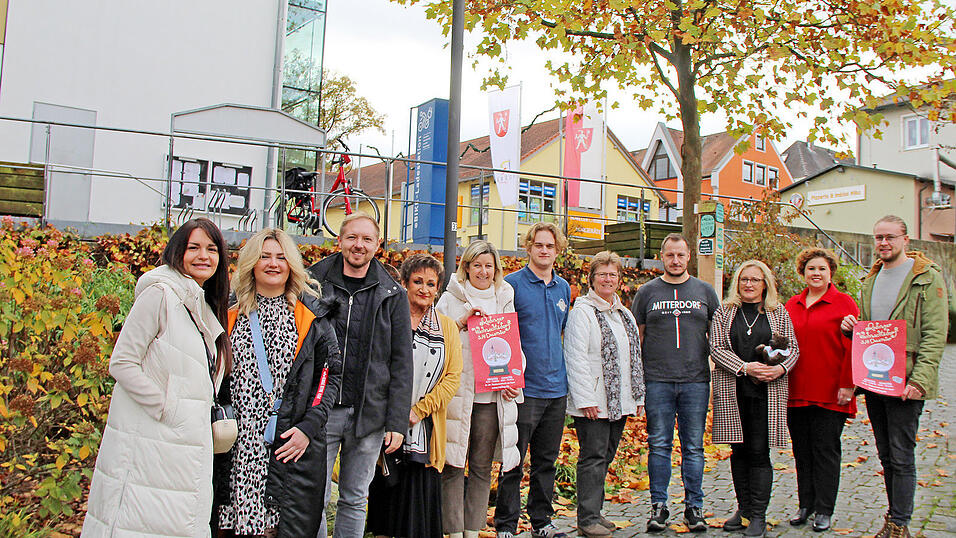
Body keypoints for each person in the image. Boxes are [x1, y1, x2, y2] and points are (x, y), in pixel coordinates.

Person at [83, 218, 232, 537]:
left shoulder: (201, 305)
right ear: (178, 252)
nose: (203, 255)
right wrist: (168, 408)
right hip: (151, 446)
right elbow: (122, 363)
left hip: (185, 453)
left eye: (211, 248)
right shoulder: (160, 295)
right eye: (194, 247)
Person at [214, 228, 342, 537]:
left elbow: (328, 376)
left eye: (281, 257)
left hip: (287, 446)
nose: (273, 264)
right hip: (237, 448)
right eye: (265, 256)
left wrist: (308, 427)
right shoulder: (227, 315)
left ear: (292, 265)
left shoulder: (312, 318)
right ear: (252, 264)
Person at [839, 215, 948, 538]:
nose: (883, 243)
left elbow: (934, 334)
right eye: (878, 238)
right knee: (886, 454)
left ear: (906, 240)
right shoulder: (871, 279)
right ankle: (893, 519)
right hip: (875, 381)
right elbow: (875, 333)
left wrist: (919, 381)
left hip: (907, 382)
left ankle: (901, 524)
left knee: (901, 455)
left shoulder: (926, 279)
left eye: (890, 237)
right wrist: (852, 330)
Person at [307, 212, 413, 538]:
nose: (359, 245)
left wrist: (396, 422)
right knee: (315, 497)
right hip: (320, 411)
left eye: (367, 239)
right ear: (339, 240)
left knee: (355, 498)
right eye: (352, 237)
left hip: (369, 414)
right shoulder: (312, 283)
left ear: (377, 245)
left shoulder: (393, 294)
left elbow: (401, 362)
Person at [366, 253, 463, 538]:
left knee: (418, 513)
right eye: (417, 281)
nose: (424, 289)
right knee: (386, 505)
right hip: (384, 424)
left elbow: (452, 378)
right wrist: (393, 413)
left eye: (431, 284)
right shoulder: (387, 318)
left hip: (425, 430)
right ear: (405, 283)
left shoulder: (447, 328)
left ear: (438, 288)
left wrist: (416, 411)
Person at [630, 233, 720, 532]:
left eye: (681, 255)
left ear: (689, 256)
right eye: (670, 255)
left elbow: (717, 338)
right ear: (662, 256)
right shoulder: (646, 292)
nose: (676, 260)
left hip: (696, 381)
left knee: (694, 447)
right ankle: (659, 506)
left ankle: (694, 507)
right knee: (658, 445)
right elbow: (637, 337)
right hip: (657, 380)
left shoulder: (705, 292)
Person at [437, 240, 522, 538]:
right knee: (452, 464)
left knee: (482, 467)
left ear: (496, 268)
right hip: (458, 394)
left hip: (491, 397)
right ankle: (453, 531)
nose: (483, 271)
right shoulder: (450, 298)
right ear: (467, 267)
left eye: (488, 265)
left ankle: (473, 530)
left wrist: (514, 377)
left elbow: (514, 343)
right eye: (477, 265)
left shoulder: (505, 296)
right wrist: (462, 323)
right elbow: (435, 338)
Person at [710, 259, 800, 538]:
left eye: (755, 280)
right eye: (744, 279)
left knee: (760, 453)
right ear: (737, 283)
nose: (749, 285)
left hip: (766, 394)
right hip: (734, 391)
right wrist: (745, 367)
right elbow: (716, 346)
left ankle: (759, 514)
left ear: (765, 285)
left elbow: (793, 349)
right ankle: (744, 508)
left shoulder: (777, 313)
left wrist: (779, 368)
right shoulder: (725, 312)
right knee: (738, 452)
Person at [496, 222, 573, 538]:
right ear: (528, 247)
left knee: (546, 461)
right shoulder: (511, 286)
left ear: (558, 251)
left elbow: (561, 329)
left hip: (556, 389)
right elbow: (500, 336)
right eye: (539, 245)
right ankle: (506, 525)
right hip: (523, 389)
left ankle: (542, 521)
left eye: (550, 246)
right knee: (512, 460)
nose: (544, 250)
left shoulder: (564, 288)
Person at [564, 251, 645, 538]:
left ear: (618, 279)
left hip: (618, 401)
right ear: (592, 279)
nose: (607, 279)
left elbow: (633, 358)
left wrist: (637, 398)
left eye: (612, 274)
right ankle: (586, 519)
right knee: (593, 457)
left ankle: (595, 512)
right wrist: (585, 399)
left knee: (606, 456)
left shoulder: (624, 314)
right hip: (594, 402)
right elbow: (575, 358)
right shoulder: (582, 312)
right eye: (602, 274)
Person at [783, 248, 859, 532]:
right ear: (803, 273)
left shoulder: (844, 303)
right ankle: (806, 505)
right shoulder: (792, 303)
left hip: (830, 390)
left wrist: (847, 384)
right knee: (802, 451)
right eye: (811, 268)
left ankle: (824, 509)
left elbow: (854, 346)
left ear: (831, 274)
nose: (816, 273)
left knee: (826, 450)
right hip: (797, 390)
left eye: (822, 269)